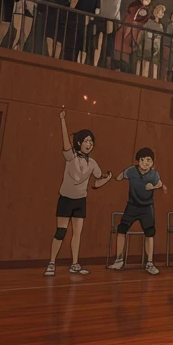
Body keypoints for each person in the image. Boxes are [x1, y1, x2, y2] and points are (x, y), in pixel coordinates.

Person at [46, 108, 112, 277]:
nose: (89, 144)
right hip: (66, 199)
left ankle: (74, 264)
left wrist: (108, 178)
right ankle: (51, 263)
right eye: (86, 141)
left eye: (91, 141)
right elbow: (65, 142)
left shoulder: (93, 163)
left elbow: (96, 182)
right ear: (79, 143)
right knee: (61, 232)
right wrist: (62, 120)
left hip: (80, 201)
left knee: (77, 234)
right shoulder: (71, 157)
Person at [108, 147, 166, 274]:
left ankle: (149, 263)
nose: (145, 162)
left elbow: (161, 185)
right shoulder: (131, 171)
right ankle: (118, 260)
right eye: (142, 160)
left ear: (152, 163)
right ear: (138, 161)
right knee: (121, 230)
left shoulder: (154, 174)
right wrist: (114, 177)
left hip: (147, 207)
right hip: (132, 206)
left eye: (148, 160)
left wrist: (154, 186)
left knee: (150, 233)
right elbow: (120, 177)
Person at [65, 0, 102, 64]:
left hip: (89, 18)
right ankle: (71, 61)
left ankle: (81, 62)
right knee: (74, 41)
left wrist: (97, 9)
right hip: (76, 18)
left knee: (85, 43)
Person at [97, 0, 132, 69]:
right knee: (100, 39)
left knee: (110, 41)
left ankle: (107, 62)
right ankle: (97, 60)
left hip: (114, 19)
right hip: (103, 17)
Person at [135, 4, 166, 78]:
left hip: (156, 47)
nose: (161, 13)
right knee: (144, 62)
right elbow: (142, 33)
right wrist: (138, 42)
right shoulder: (149, 22)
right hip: (147, 45)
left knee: (154, 64)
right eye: (159, 11)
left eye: (162, 12)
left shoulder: (160, 26)